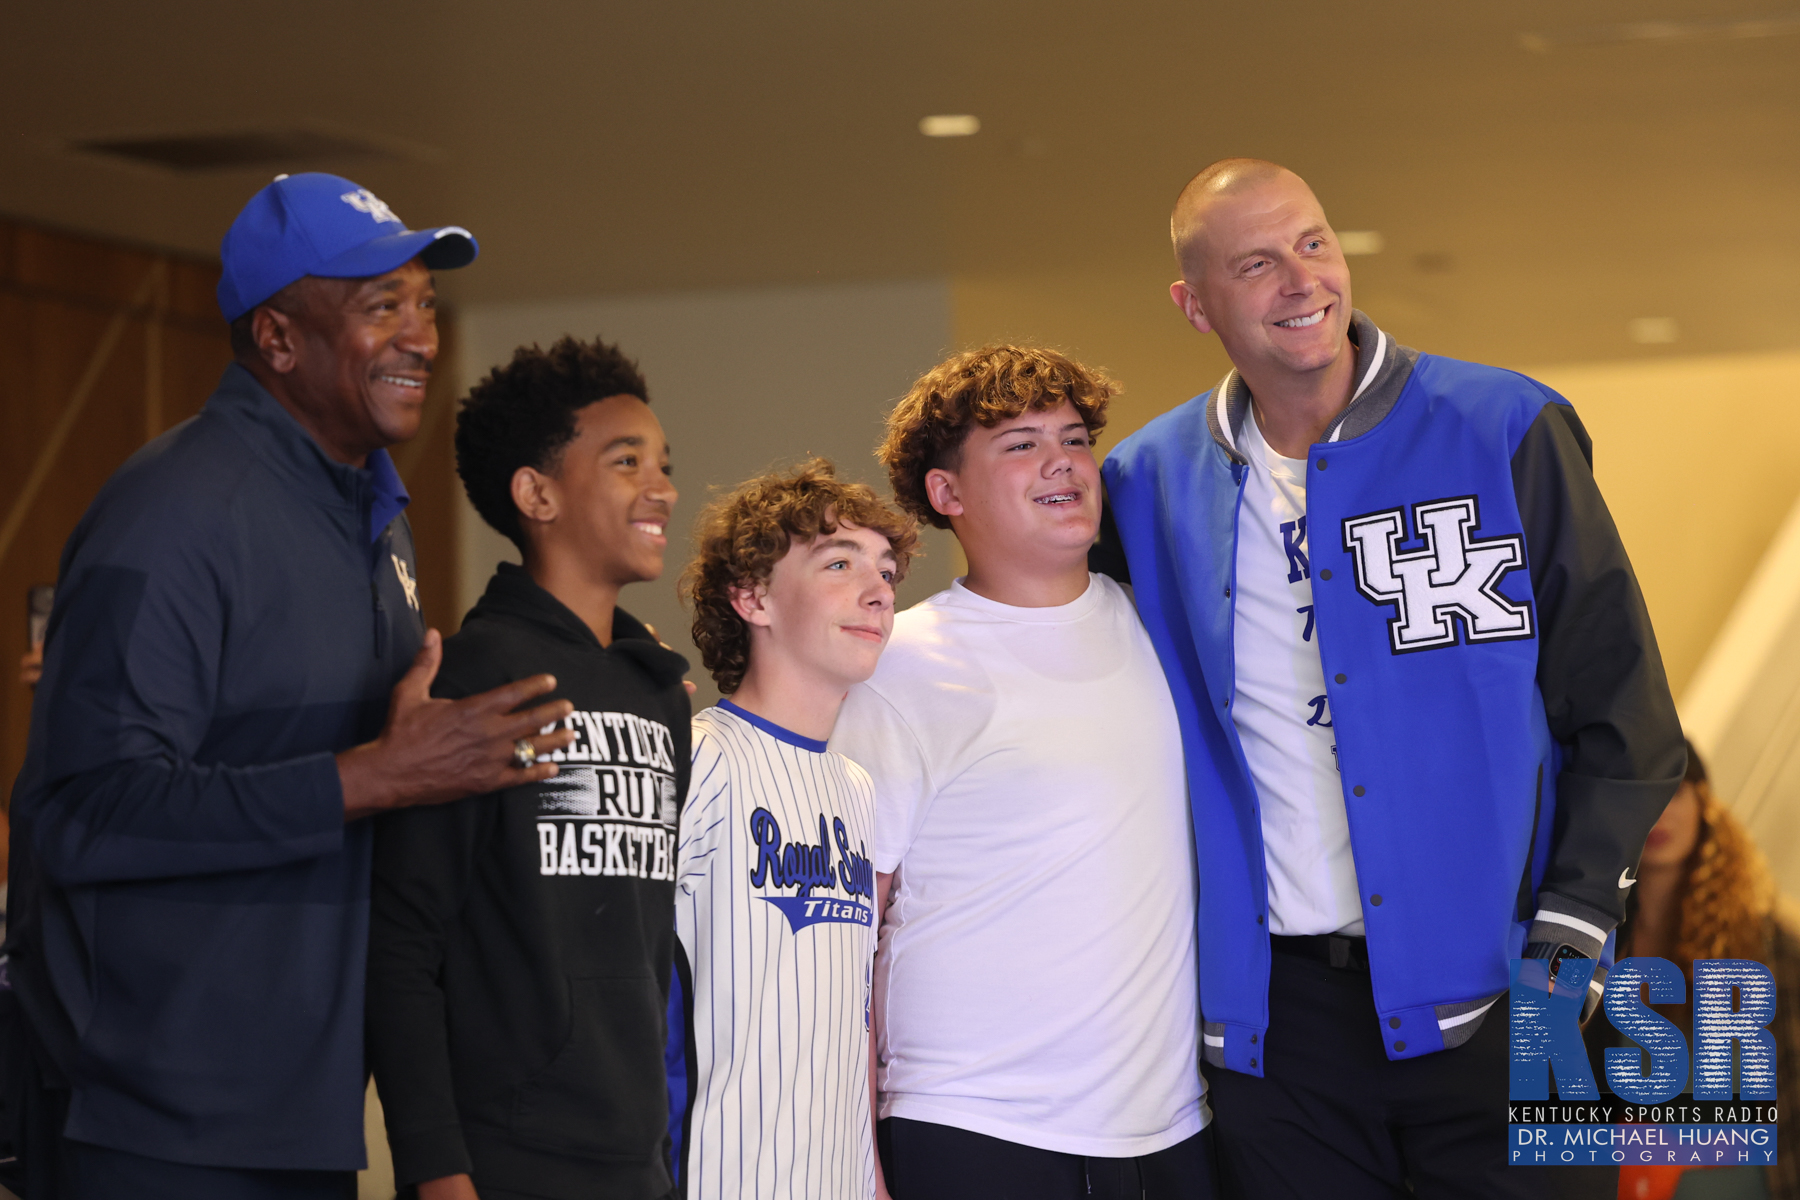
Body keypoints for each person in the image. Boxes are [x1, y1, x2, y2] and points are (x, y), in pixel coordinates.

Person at [1092, 157, 1687, 1198]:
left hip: (1509, 989)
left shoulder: (1504, 427)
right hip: (1277, 1026)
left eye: (1315, 243)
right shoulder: (1144, 485)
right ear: (1194, 304)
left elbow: (1622, 699)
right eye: (1258, 263)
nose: (1302, 280)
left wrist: (1577, 925)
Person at [2, 173, 580, 1200]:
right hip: (156, 1124)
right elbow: (84, 811)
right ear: (277, 339)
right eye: (379, 307)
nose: (420, 337)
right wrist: (376, 776)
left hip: (302, 1113)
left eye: (424, 304)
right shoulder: (176, 514)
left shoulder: (372, 511)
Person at [831, 346, 1215, 1200]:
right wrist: (854, 1164)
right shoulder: (902, 665)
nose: (1062, 463)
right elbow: (843, 938)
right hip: (972, 1127)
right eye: (1018, 444)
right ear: (947, 494)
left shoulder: (1161, 624)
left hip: (1170, 1131)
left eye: (1075, 439)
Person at [366, 336, 690, 1200]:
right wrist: (436, 1168)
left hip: (641, 1161)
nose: (662, 487)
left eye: (663, 463)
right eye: (627, 462)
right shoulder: (475, 679)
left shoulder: (661, 693)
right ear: (535, 491)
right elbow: (402, 945)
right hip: (504, 1163)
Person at [670, 459, 916, 1200]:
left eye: (887, 572)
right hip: (719, 1176)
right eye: (839, 563)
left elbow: (849, 1021)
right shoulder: (697, 760)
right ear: (752, 597)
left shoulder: (855, 789)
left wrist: (870, 1177)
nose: (878, 591)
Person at [1585, 740, 1800, 1200]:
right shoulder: (1588, 948)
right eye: (1643, 799)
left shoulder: (1772, 945)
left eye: (1675, 791)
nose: (1660, 814)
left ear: (1704, 801)